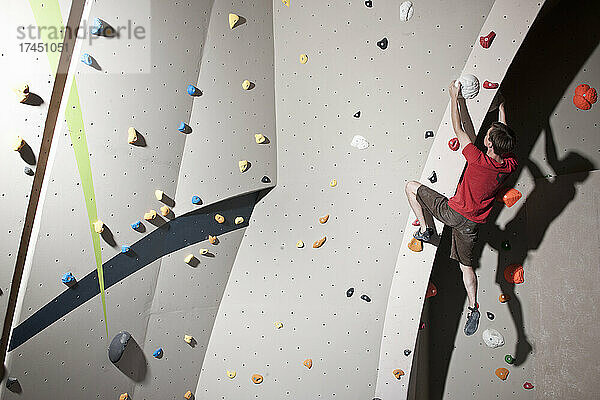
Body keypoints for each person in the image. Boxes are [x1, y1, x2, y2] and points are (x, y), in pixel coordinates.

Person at [405, 81, 518, 336]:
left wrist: (455, 97)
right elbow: (504, 136)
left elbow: (458, 128)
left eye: (488, 135)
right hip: (472, 226)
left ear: (488, 145)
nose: (486, 135)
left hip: (452, 213)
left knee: (411, 187)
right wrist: (501, 108)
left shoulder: (478, 160)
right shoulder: (508, 165)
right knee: (466, 268)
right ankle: (473, 307)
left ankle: (425, 230)